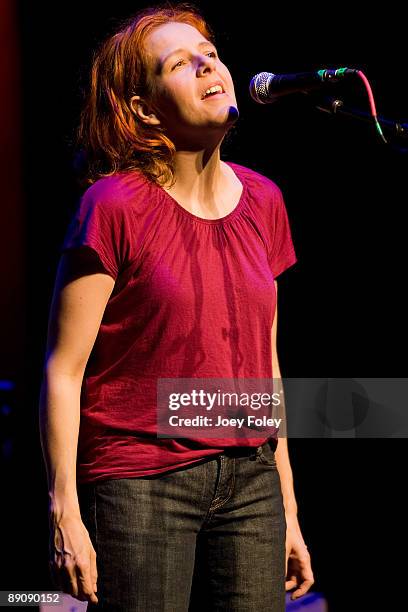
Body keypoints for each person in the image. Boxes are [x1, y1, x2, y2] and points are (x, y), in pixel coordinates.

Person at [39, 3, 314, 610]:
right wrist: (65, 514)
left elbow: (264, 371)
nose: (209, 66)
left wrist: (288, 508)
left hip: (251, 483)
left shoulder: (265, 200)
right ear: (144, 109)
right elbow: (63, 370)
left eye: (210, 54)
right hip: (141, 483)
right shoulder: (112, 207)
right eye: (182, 63)